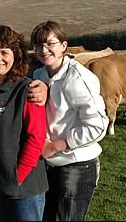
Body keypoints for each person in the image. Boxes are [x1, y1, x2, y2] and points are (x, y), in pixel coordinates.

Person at [30, 21, 108, 221]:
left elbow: (98, 125)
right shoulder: (39, 74)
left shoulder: (78, 78)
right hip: (48, 164)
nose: (44, 50)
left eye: (50, 44)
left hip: (77, 164)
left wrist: (58, 145)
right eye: (38, 45)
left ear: (64, 46)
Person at [0, 24, 48, 221]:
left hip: (23, 191)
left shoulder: (28, 89)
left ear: (16, 55)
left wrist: (17, 178)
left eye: (4, 52)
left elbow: (36, 138)